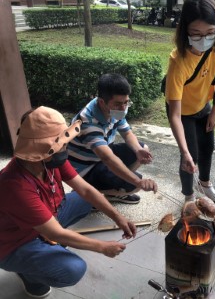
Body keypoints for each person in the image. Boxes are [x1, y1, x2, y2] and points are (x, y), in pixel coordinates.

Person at [0, 106, 157, 298]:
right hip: (14, 242)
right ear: (39, 149)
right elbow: (55, 232)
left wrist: (118, 217)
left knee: (83, 201)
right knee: (73, 269)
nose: (65, 148)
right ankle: (28, 274)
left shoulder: (49, 159)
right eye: (61, 144)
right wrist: (102, 247)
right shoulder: (15, 185)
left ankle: (45, 247)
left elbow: (86, 189)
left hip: (44, 220)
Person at [164, 0, 215, 203]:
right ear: (185, 29)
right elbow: (174, 114)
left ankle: (205, 184)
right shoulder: (179, 60)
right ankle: (189, 196)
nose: (203, 39)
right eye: (196, 33)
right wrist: (184, 150)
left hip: (204, 105)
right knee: (190, 156)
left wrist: (214, 112)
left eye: (210, 32)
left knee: (207, 147)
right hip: (182, 111)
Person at [68, 73, 156, 204]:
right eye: (119, 104)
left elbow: (127, 133)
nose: (123, 108)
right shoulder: (88, 122)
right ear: (102, 102)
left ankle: (116, 190)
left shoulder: (116, 108)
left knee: (143, 148)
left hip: (102, 154)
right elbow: (108, 158)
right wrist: (137, 181)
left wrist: (137, 150)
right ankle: (87, 194)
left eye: (126, 102)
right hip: (86, 168)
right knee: (134, 185)